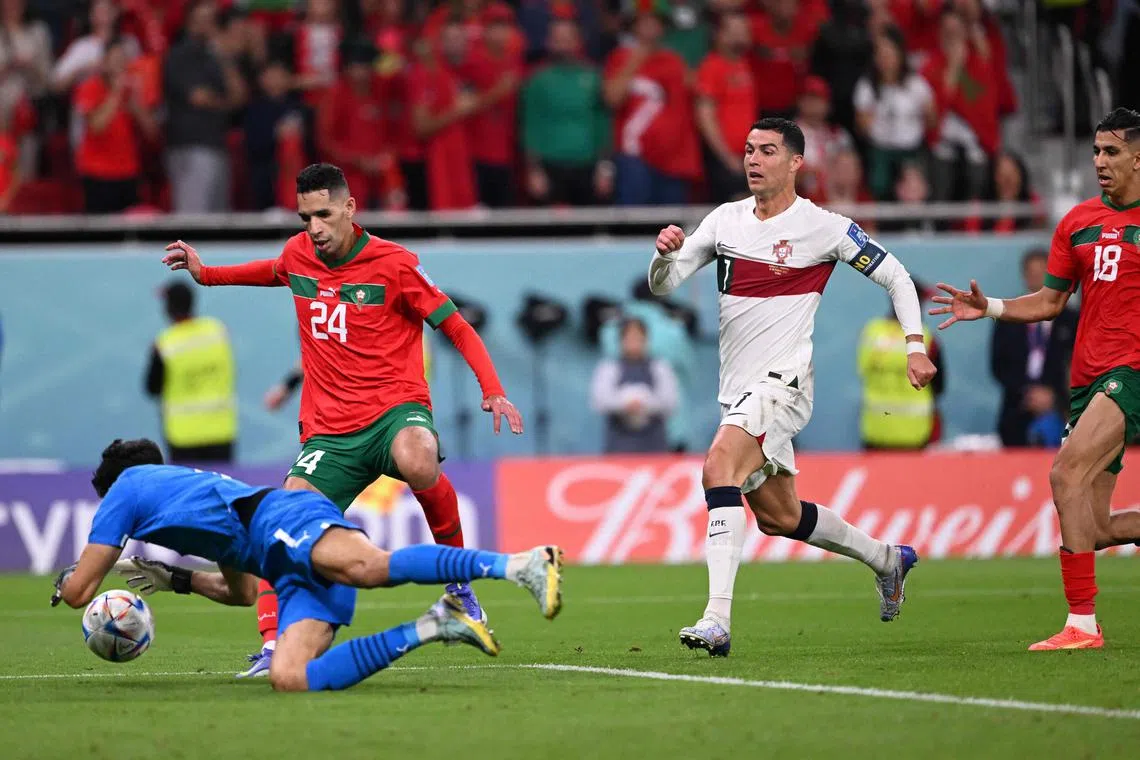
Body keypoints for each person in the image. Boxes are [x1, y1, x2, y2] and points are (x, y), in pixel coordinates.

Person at [161, 162, 522, 677]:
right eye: (306, 217)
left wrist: (493, 390)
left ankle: (459, 589)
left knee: (419, 457)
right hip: (329, 431)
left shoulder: (395, 264)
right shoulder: (298, 254)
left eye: (325, 215)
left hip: (395, 410)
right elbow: (268, 271)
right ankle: (271, 648)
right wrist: (207, 274)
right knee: (280, 525)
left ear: (350, 208)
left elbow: (456, 327)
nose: (315, 228)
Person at [650, 117, 936, 657]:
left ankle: (716, 619)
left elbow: (896, 275)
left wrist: (914, 345)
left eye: (767, 151)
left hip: (784, 383)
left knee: (718, 468)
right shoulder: (724, 221)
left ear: (796, 163)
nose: (753, 159)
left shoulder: (824, 227)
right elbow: (664, 286)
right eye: (748, 149)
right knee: (780, 516)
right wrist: (663, 255)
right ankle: (887, 559)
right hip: (738, 391)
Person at [50, 438, 563, 692]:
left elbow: (78, 593)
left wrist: (72, 578)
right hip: (284, 563)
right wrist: (177, 579)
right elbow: (245, 593)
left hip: (282, 517)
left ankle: (521, 565)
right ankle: (437, 625)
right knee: (289, 677)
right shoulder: (186, 503)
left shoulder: (127, 488)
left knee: (368, 567)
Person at [930, 107, 1140, 651]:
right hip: (1086, 380)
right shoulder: (1076, 222)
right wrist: (992, 306)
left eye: (1111, 152)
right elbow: (1049, 301)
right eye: (1095, 151)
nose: (1099, 161)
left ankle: (1082, 625)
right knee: (1092, 527)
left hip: (1132, 372)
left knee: (1063, 475)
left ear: (1138, 157)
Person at [989, 249, 1078, 448]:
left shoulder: (1071, 320)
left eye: (1041, 272)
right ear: (1024, 275)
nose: (1036, 278)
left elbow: (1075, 364)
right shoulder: (1007, 317)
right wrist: (1027, 392)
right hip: (1016, 409)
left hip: (1061, 410)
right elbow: (998, 364)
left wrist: (1053, 395)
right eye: (1032, 273)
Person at [144, 282, 237, 464]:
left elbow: (152, 388)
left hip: (183, 435)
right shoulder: (217, 331)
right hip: (221, 429)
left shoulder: (165, 343)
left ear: (168, 308)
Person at [858, 284, 946, 450]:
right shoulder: (926, 339)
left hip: (876, 431)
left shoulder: (871, 332)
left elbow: (862, 371)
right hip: (916, 435)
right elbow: (939, 387)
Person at [590, 317, 679, 454]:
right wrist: (625, 402)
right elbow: (599, 401)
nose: (633, 343)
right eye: (629, 338)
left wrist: (644, 402)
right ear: (621, 341)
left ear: (646, 340)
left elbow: (670, 401)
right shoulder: (609, 368)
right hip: (619, 446)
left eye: (638, 338)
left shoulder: (660, 367)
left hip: (654, 446)